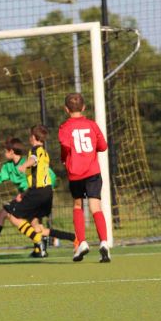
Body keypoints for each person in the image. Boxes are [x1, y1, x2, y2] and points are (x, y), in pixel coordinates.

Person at [0, 137, 74, 257]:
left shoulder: (28, 161)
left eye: (5, 150)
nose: (3, 153)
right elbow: (0, 177)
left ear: (11, 151)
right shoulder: (8, 167)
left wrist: (45, 189)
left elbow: (50, 174)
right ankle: (69, 239)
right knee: (36, 226)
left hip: (33, 195)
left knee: (6, 213)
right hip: (27, 197)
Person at [58, 92, 111, 262]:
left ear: (66, 109)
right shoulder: (92, 125)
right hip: (93, 172)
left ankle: (82, 242)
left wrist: (64, 159)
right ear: (84, 107)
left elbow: (65, 147)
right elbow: (103, 146)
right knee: (96, 207)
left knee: (77, 205)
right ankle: (104, 242)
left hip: (75, 173)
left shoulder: (64, 127)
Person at [2, 125, 54, 257]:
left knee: (10, 213)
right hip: (46, 191)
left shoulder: (35, 150)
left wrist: (24, 165)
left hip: (37, 191)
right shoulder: (45, 152)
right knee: (34, 220)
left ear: (33, 137)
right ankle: (42, 248)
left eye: (30, 135)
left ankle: (38, 240)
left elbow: (33, 160)